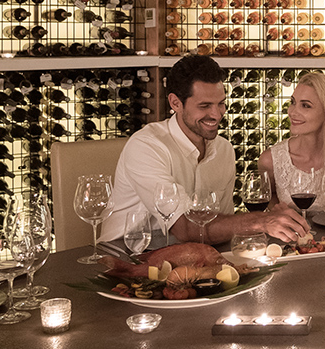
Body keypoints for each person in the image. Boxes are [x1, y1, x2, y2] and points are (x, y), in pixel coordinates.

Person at [105, 55, 309, 245]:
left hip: (192, 256)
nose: (217, 114)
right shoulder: (147, 146)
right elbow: (186, 227)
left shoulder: (224, 150)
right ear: (175, 103)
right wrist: (261, 221)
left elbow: (220, 225)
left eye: (221, 104)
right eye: (204, 106)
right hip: (128, 253)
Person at [257, 72, 325, 206]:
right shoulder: (270, 160)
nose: (292, 112)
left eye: (305, 105)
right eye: (293, 102)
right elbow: (269, 199)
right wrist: (277, 210)